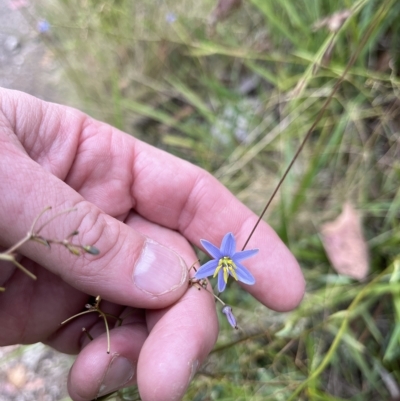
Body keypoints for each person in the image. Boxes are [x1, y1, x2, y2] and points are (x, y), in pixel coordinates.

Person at [0, 87, 305, 401]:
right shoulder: (216, 260)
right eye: (225, 263)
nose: (226, 266)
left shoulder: (222, 263)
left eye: (228, 265)